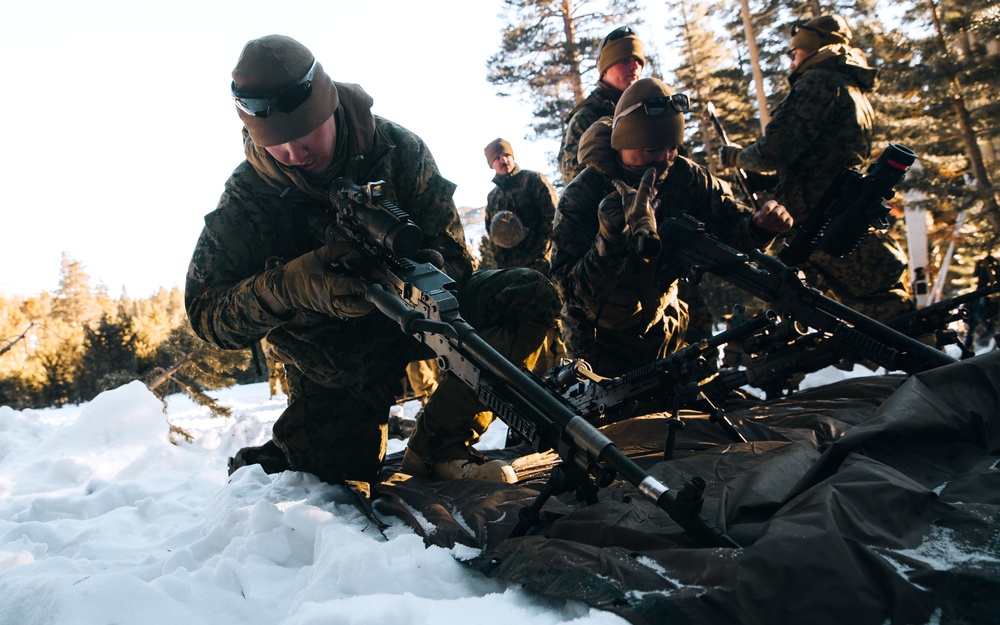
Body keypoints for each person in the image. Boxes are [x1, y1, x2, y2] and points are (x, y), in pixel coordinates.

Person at [186, 35, 561, 493]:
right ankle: (287, 451)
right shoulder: (247, 196)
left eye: (306, 136)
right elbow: (206, 314)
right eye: (277, 147)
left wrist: (424, 261)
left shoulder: (399, 149)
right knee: (336, 479)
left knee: (527, 297)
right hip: (332, 358)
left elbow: (457, 258)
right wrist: (283, 289)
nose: (294, 155)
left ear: (330, 107)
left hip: (421, 314)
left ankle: (439, 443)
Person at [550, 78, 793, 378]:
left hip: (668, 332)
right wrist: (608, 242)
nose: (664, 159)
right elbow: (570, 294)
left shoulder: (687, 178)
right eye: (652, 149)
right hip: (599, 348)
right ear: (623, 144)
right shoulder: (582, 196)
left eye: (672, 148)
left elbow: (732, 237)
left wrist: (760, 227)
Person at [718, 14, 913, 322]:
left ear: (810, 49)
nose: (791, 63)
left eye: (794, 54)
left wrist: (738, 158)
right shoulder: (853, 88)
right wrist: (769, 180)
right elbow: (823, 159)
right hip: (837, 211)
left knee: (867, 312)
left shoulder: (820, 81)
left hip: (815, 220)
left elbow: (774, 150)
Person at [480, 138, 566, 374]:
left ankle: (564, 369)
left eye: (505, 155)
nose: (502, 160)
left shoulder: (533, 180)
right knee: (527, 325)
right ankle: (539, 377)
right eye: (496, 158)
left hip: (542, 265)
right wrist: (505, 273)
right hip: (517, 273)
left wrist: (543, 254)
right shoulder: (493, 198)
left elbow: (553, 218)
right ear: (491, 164)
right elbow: (493, 236)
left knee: (553, 319)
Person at [558, 25, 645, 185]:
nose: (634, 66)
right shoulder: (586, 117)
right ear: (605, 68)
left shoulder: (648, 107)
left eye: (638, 61)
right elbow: (574, 178)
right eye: (625, 60)